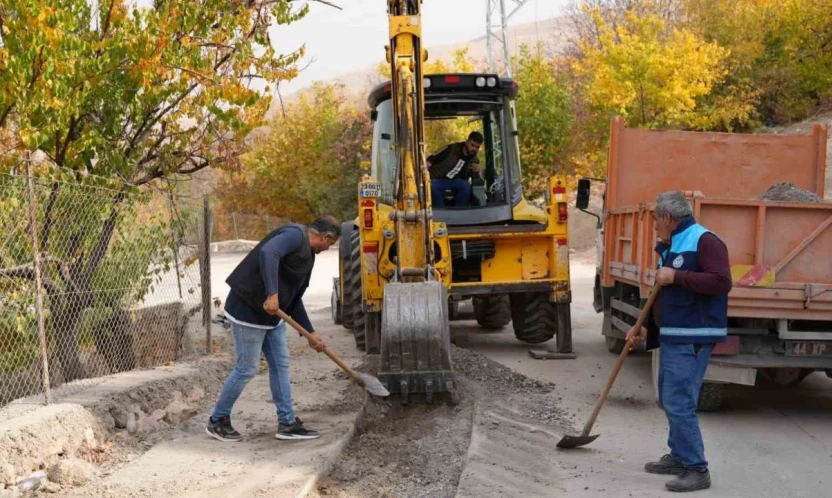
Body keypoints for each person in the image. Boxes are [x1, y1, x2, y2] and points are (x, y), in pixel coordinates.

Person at [629, 191, 732, 493]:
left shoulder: (705, 241)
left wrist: (677, 276)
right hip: (674, 334)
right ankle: (678, 455)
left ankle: (696, 468)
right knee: (669, 398)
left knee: (679, 402)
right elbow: (662, 293)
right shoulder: (672, 244)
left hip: (693, 336)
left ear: (668, 218)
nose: (655, 228)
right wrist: (645, 327)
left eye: (656, 222)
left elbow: (721, 282)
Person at [206, 216, 340, 442]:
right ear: (325, 237)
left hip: (272, 317)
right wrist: (272, 294)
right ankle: (217, 420)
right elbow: (268, 253)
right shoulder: (294, 236)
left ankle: (287, 423)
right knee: (246, 368)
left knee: (280, 365)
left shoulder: (307, 256)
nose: (328, 249)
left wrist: (309, 332)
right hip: (247, 310)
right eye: (331, 244)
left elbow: (294, 297)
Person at [427, 131, 483, 207]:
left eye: (477, 147)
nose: (474, 149)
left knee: (466, 186)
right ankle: (440, 211)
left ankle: (460, 211)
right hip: (439, 179)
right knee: (431, 185)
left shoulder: (474, 160)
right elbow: (434, 157)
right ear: (467, 142)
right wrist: (429, 162)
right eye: (472, 145)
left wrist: (477, 172)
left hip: (456, 182)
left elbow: (476, 181)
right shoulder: (451, 149)